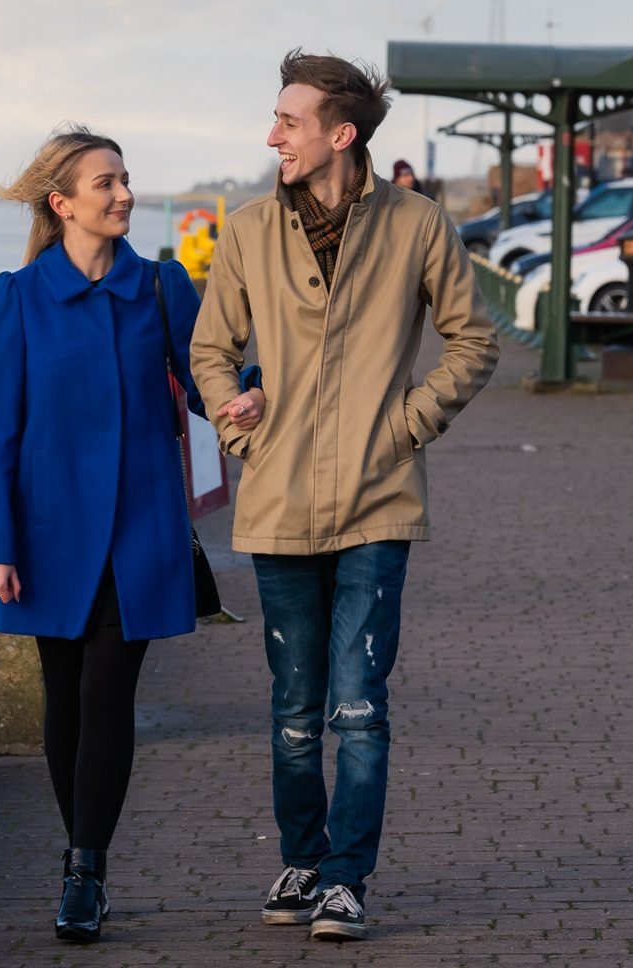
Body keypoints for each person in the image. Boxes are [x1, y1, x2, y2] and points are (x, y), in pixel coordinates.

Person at [190, 50, 498, 943]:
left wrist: (407, 423)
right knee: (293, 709)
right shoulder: (249, 230)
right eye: (275, 118)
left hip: (376, 499)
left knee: (359, 704)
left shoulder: (417, 226)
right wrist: (239, 426)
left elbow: (472, 342)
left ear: (340, 134)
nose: (272, 134)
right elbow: (211, 352)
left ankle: (346, 879)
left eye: (288, 121)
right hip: (280, 502)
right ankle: (301, 858)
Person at [0, 126, 257, 943]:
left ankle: (85, 870)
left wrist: (254, 393)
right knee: (63, 701)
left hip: (139, 531)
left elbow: (211, 381)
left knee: (107, 696)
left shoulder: (163, 287)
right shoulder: (16, 297)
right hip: (45, 534)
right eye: (106, 183)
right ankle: (78, 852)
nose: (124, 194)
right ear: (63, 204)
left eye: (126, 179)